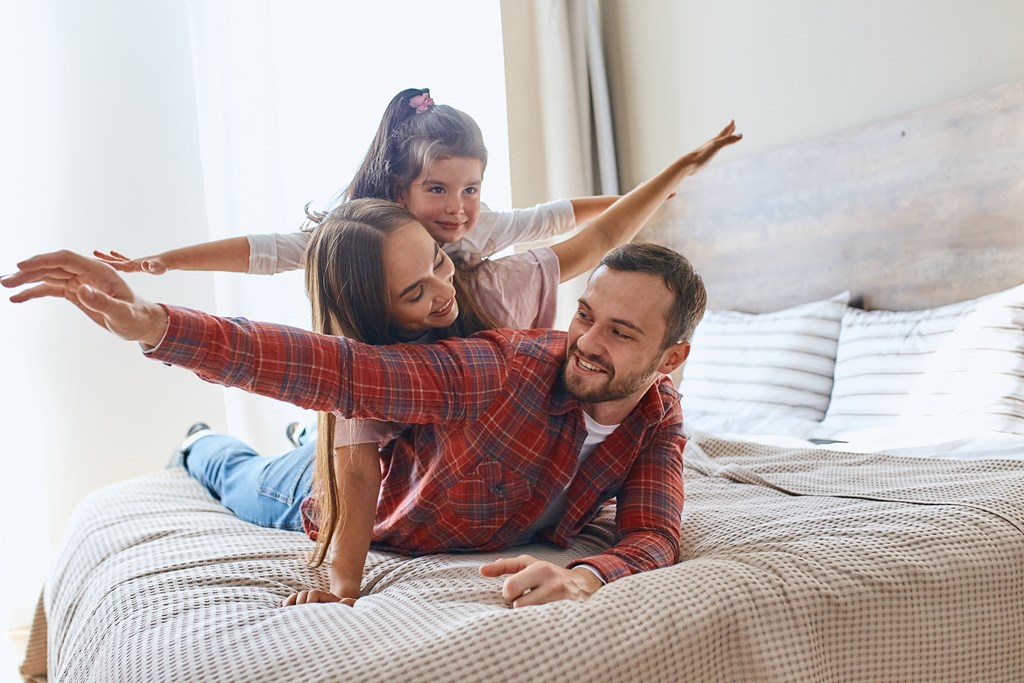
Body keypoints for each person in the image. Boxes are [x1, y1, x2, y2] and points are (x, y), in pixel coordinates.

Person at [4, 239, 704, 609]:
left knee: (333, 429)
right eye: (584, 313)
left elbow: (650, 534)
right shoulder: (501, 368)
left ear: (671, 358)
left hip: (405, 451)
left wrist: (588, 576)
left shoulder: (657, 419)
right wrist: (155, 324)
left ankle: (303, 437)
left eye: (619, 332)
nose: (585, 340)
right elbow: (340, 370)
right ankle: (198, 441)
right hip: (354, 497)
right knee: (237, 474)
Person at [93, 87, 619, 277]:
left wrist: (634, 198)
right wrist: (163, 259)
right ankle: (203, 445)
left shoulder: (482, 232)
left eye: (471, 189)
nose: (458, 208)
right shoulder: (361, 237)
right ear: (398, 190)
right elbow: (269, 251)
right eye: (437, 189)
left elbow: (554, 216)